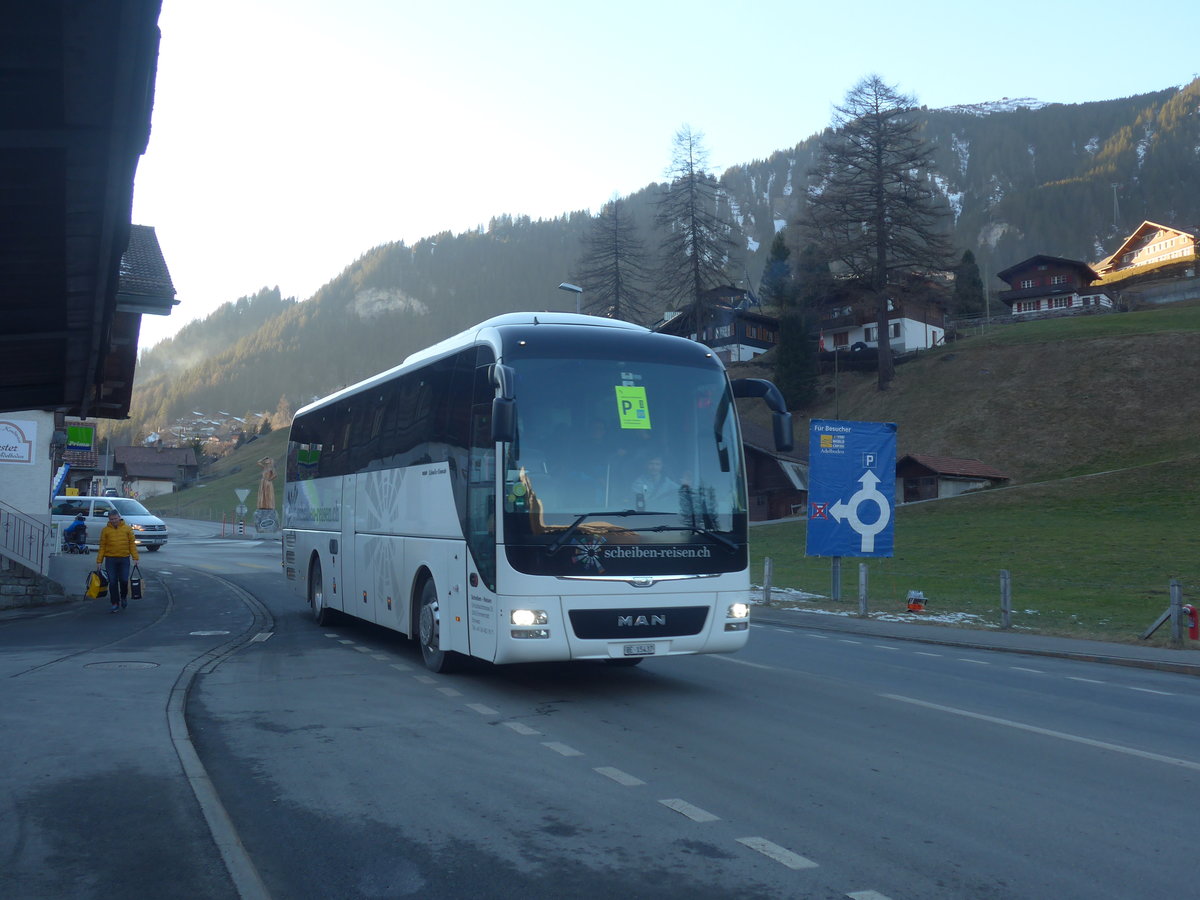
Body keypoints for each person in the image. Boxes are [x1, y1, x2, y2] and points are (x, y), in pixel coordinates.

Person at [96, 510, 139, 613]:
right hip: (110, 559)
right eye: (111, 519)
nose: (114, 521)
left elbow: (132, 544)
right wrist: (99, 561)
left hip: (124, 558)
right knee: (112, 582)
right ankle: (115, 603)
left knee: (124, 580)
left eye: (115, 518)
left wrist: (135, 558)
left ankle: (123, 597)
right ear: (109, 519)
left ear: (119, 517)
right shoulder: (105, 530)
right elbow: (102, 546)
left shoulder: (127, 529)